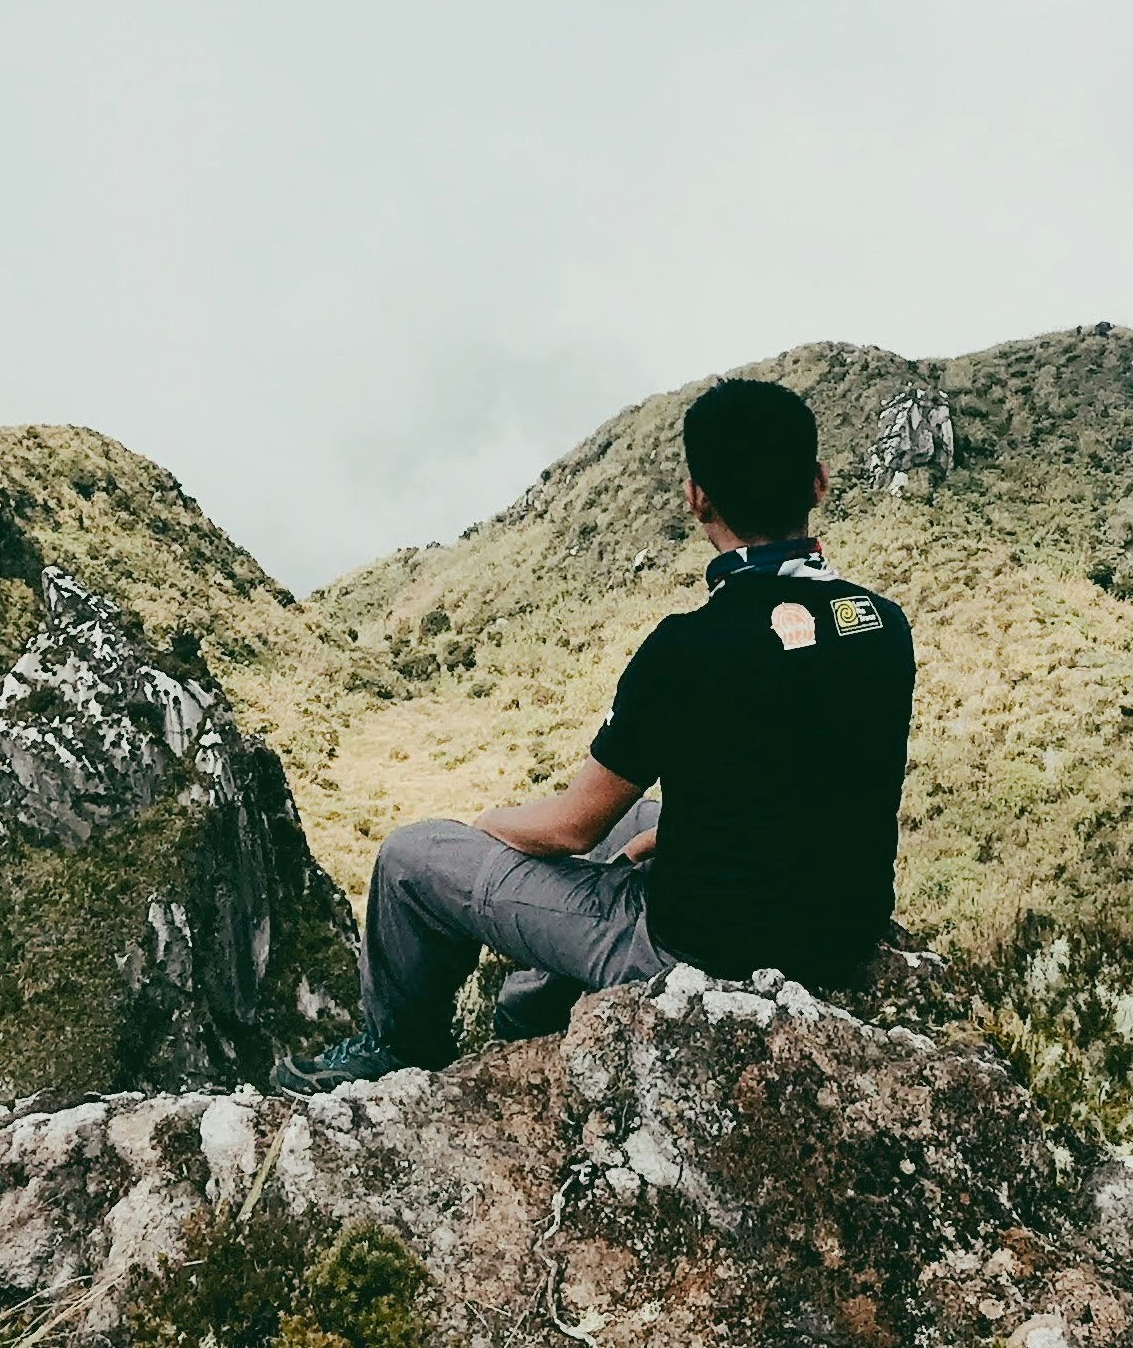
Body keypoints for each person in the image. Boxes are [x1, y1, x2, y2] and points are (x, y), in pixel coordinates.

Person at [269, 377, 916, 1094]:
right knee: (644, 821)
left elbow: (572, 828)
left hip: (694, 950)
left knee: (411, 860)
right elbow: (809, 773)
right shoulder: (881, 624)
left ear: (697, 497)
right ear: (818, 483)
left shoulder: (686, 647)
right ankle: (530, 1011)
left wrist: (488, 828)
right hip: (838, 933)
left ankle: (399, 1052)